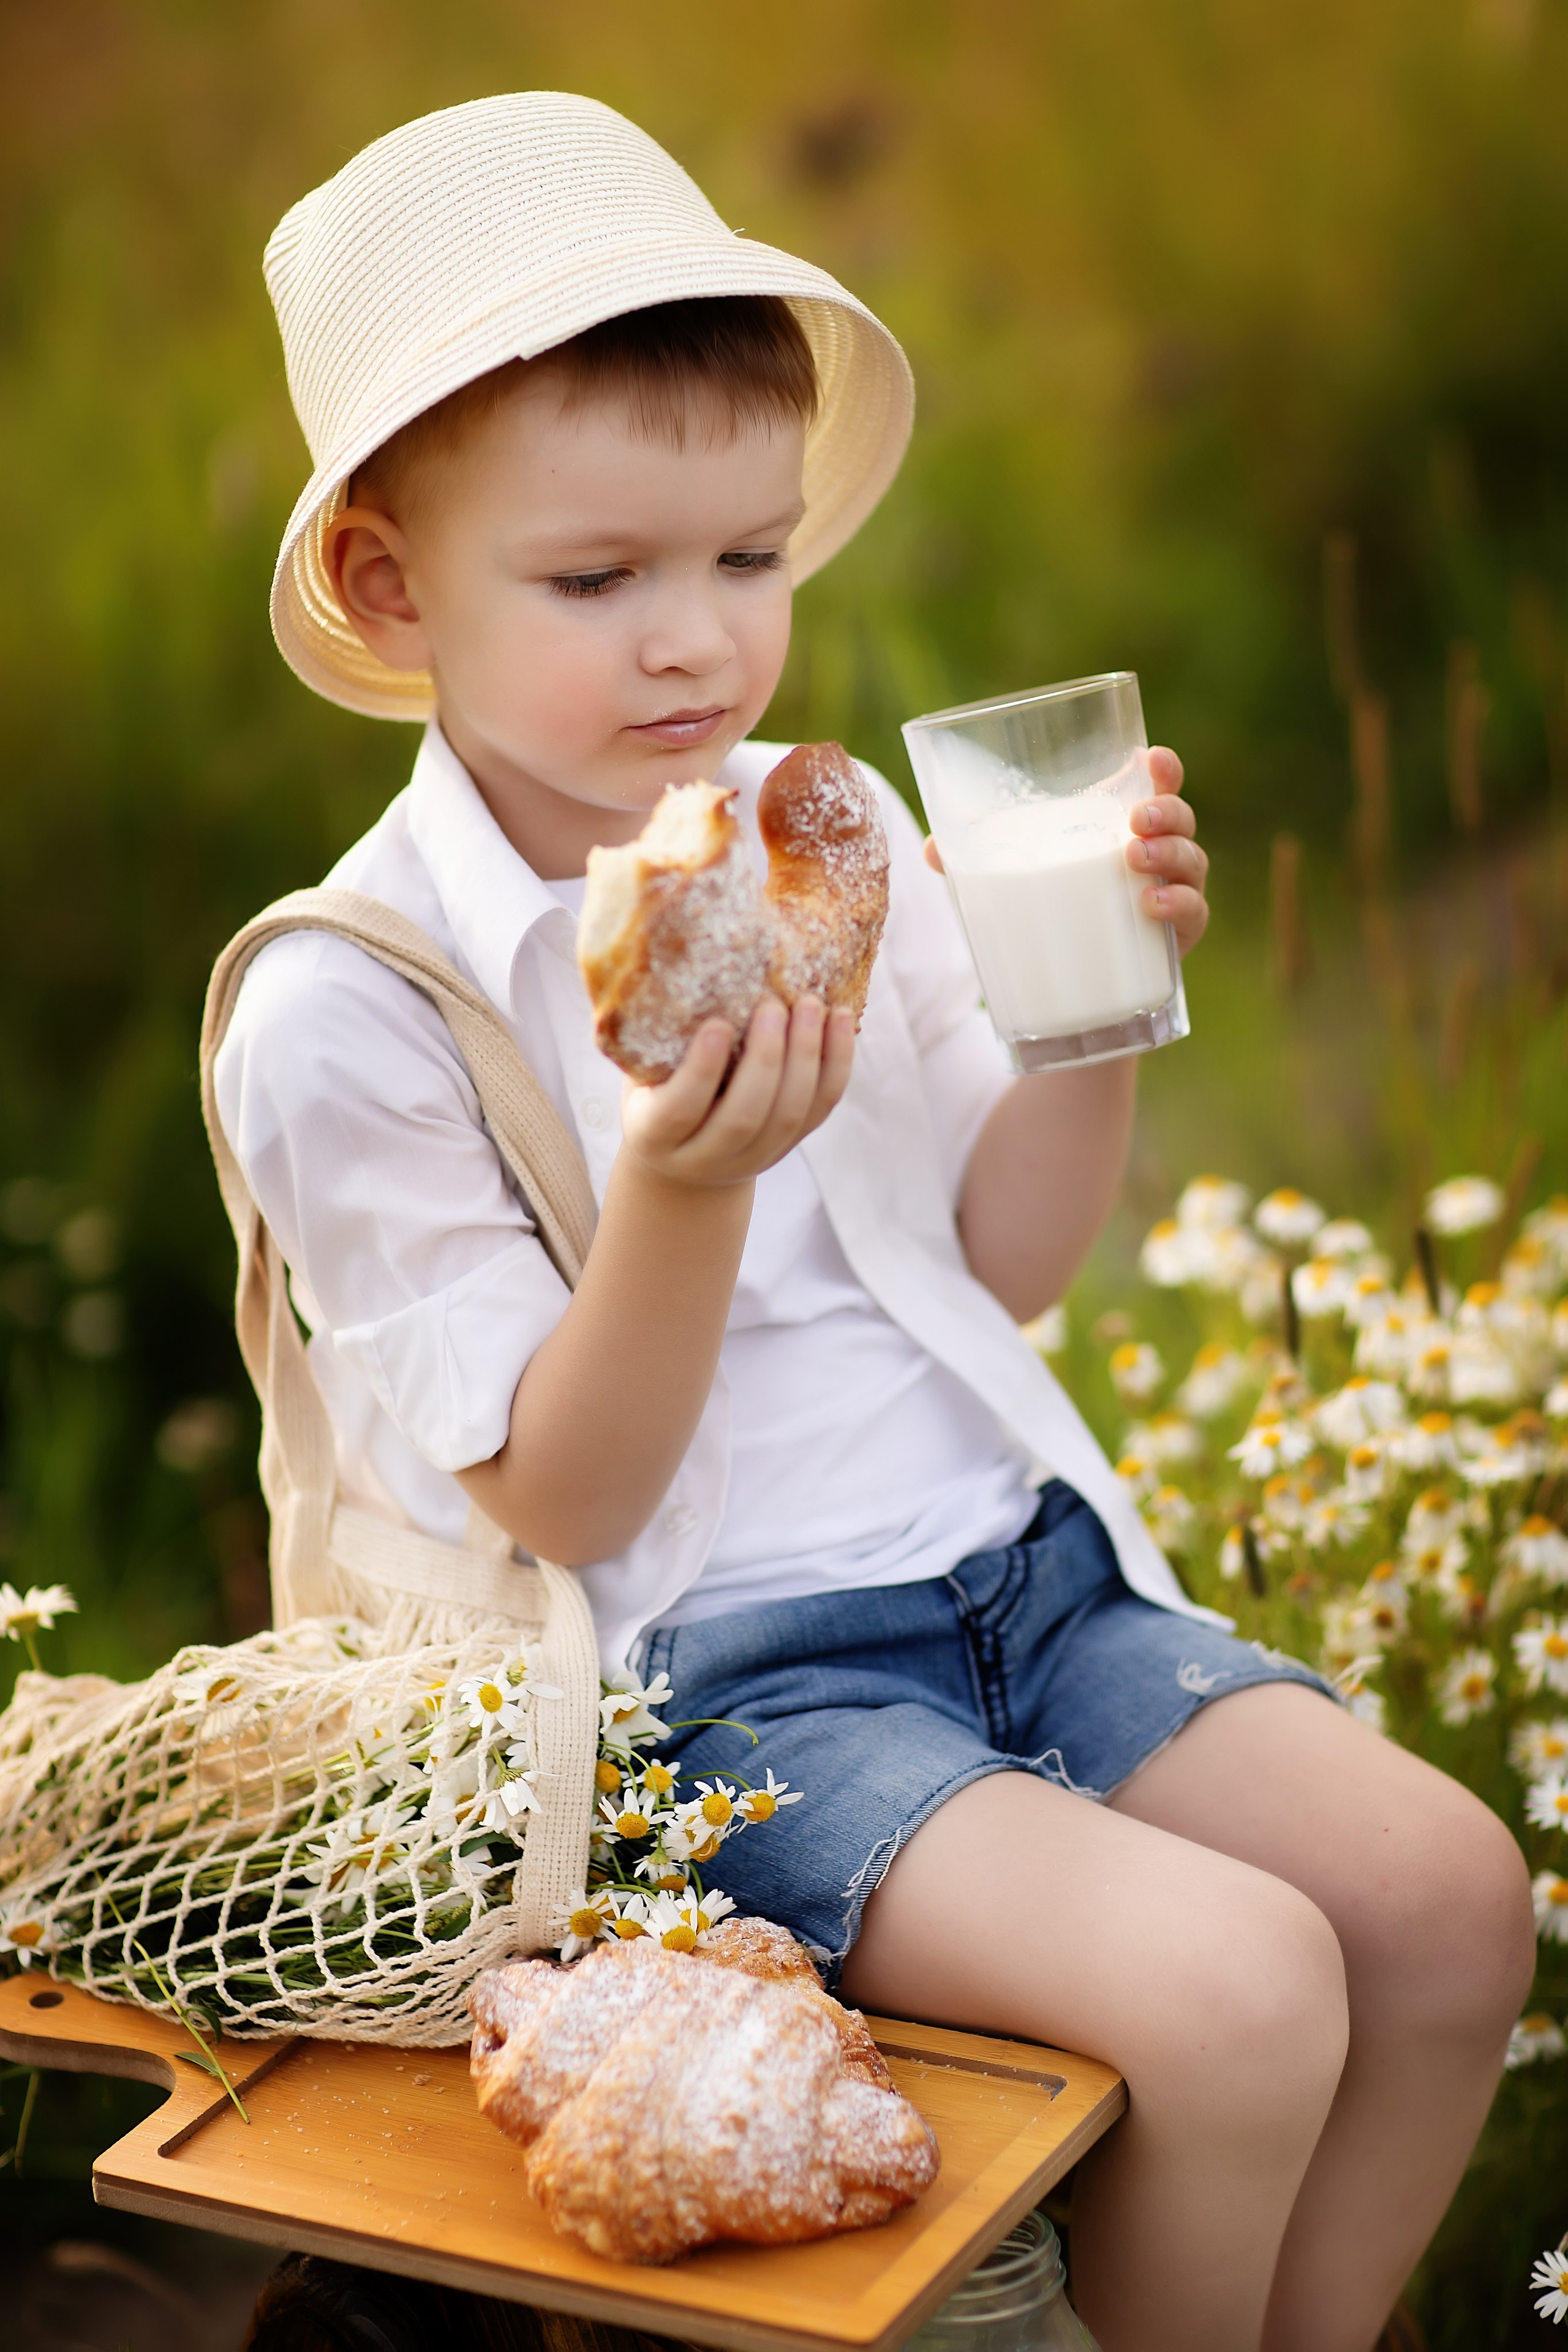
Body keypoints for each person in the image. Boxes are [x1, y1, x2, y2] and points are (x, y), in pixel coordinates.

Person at [217, 93, 1534, 2352]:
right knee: (1238, 1991)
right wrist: (686, 1183)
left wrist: (1090, 1006)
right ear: (387, 580)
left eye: (748, 557)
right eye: (600, 576)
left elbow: (998, 1265)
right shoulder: (356, 1006)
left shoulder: (822, 839)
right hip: (722, 1686)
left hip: (1027, 1576)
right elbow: (568, 1484)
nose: (698, 645)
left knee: (1442, 1893)